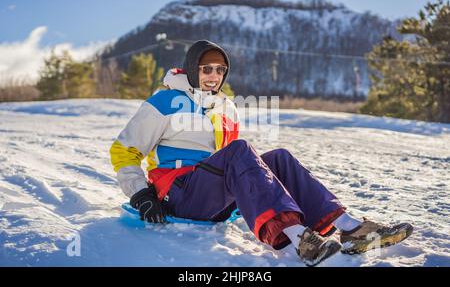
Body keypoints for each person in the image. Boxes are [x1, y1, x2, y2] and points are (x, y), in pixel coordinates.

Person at [110, 40, 413, 266]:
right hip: (178, 194)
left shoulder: (225, 107)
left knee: (277, 158)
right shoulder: (165, 101)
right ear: (192, 69)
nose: (214, 75)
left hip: (212, 198)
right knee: (240, 149)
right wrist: (141, 196)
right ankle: (298, 239)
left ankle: (349, 228)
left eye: (220, 69)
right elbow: (124, 149)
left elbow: (235, 167)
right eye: (206, 69)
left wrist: (254, 193)